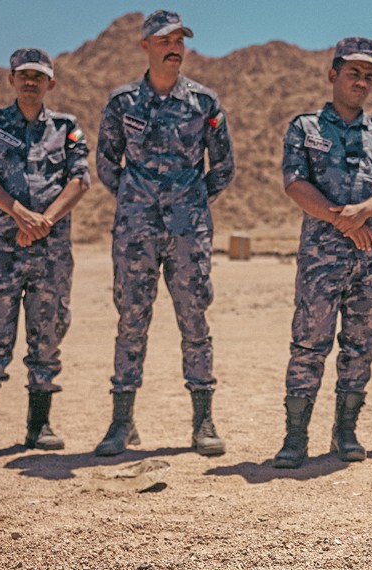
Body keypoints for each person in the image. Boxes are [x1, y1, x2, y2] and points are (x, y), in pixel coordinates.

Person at [95, 9, 235, 457]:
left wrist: (188, 201)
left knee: (194, 321)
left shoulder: (204, 104)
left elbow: (224, 166)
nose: (175, 47)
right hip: (135, 233)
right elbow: (105, 163)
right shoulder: (121, 104)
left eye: (180, 39)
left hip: (188, 233)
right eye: (165, 40)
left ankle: (203, 422)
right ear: (145, 46)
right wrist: (138, 201)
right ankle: (121, 424)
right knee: (131, 321)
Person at [273, 37, 372, 468]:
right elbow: (295, 183)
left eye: (368, 75)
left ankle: (345, 431)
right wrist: (342, 220)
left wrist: (364, 211)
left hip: (371, 259)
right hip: (321, 258)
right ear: (333, 74)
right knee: (308, 344)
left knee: (361, 344)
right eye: (353, 72)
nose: (361, 81)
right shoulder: (306, 128)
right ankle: (295, 437)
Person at [0, 48, 90, 461]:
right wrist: (18, 213)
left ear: (51, 83)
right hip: (3, 247)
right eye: (24, 74)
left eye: (39, 76)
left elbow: (80, 179)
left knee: (47, 335)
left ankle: (39, 427)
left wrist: (44, 222)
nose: (31, 81)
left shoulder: (67, 128)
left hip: (50, 250)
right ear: (12, 79)